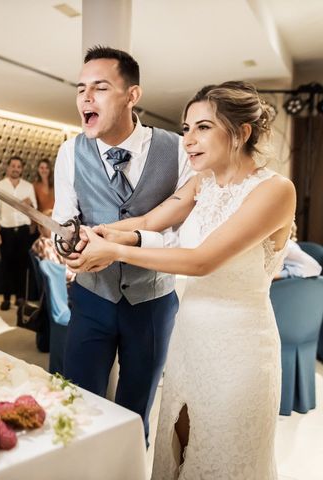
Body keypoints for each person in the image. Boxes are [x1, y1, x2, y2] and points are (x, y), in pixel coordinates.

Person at [67, 81, 294, 479]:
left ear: (241, 133)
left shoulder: (275, 190)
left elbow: (202, 260)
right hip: (190, 341)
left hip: (240, 348)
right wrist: (98, 233)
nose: (188, 140)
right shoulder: (201, 183)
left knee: (223, 455)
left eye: (203, 127)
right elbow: (148, 222)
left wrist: (116, 252)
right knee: (181, 448)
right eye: (186, 128)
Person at [52, 45, 192, 440]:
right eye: (81, 89)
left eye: (99, 88)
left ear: (132, 95)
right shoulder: (69, 152)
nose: (86, 98)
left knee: (136, 411)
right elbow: (64, 221)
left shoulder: (177, 150)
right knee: (79, 403)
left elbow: (181, 234)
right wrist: (69, 247)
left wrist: (125, 242)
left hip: (152, 301)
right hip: (92, 298)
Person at [0, 156, 37, 311]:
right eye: (13, 166)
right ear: (8, 168)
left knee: (22, 267)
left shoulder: (28, 187)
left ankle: (20, 298)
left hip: (23, 231)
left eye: (18, 166)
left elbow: (34, 211)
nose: (16, 168)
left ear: (21, 169)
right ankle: (6, 299)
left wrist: (29, 205)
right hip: (6, 231)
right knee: (6, 266)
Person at [31, 209, 76, 283]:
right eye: (49, 225)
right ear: (41, 228)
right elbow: (59, 273)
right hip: (64, 284)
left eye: (57, 224)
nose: (55, 228)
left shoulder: (55, 242)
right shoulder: (44, 243)